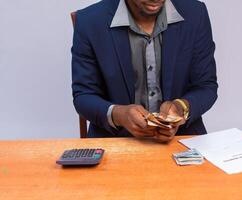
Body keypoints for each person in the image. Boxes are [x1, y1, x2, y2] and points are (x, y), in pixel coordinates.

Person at [71, 0, 218, 142]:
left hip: (182, 138)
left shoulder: (196, 14)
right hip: (115, 141)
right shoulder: (89, 21)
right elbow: (84, 96)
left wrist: (181, 108)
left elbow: (206, 86)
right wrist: (120, 114)